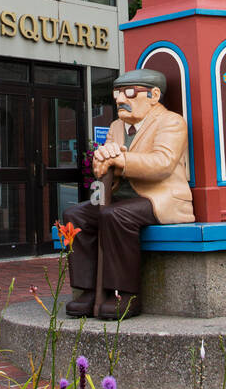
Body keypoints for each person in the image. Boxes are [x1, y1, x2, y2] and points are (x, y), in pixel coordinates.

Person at [65, 68, 193, 320]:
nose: (121, 99)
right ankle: (88, 289)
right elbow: (104, 163)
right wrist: (100, 161)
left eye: (130, 93)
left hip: (159, 196)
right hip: (117, 195)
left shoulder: (171, 122)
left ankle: (124, 294)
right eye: (117, 93)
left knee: (115, 216)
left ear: (154, 95)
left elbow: (163, 163)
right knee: (75, 214)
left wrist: (120, 159)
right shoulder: (116, 125)